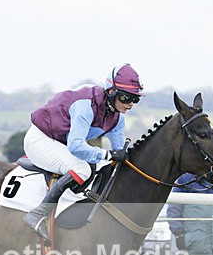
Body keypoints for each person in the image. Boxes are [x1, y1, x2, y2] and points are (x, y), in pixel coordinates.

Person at [21, 63, 144, 240]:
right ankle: (38, 213)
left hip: (60, 143)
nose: (131, 104)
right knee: (82, 169)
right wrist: (107, 155)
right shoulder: (85, 104)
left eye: (135, 99)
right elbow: (77, 146)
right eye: (126, 98)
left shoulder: (118, 118)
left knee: (98, 166)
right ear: (111, 92)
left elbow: (119, 154)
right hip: (40, 140)